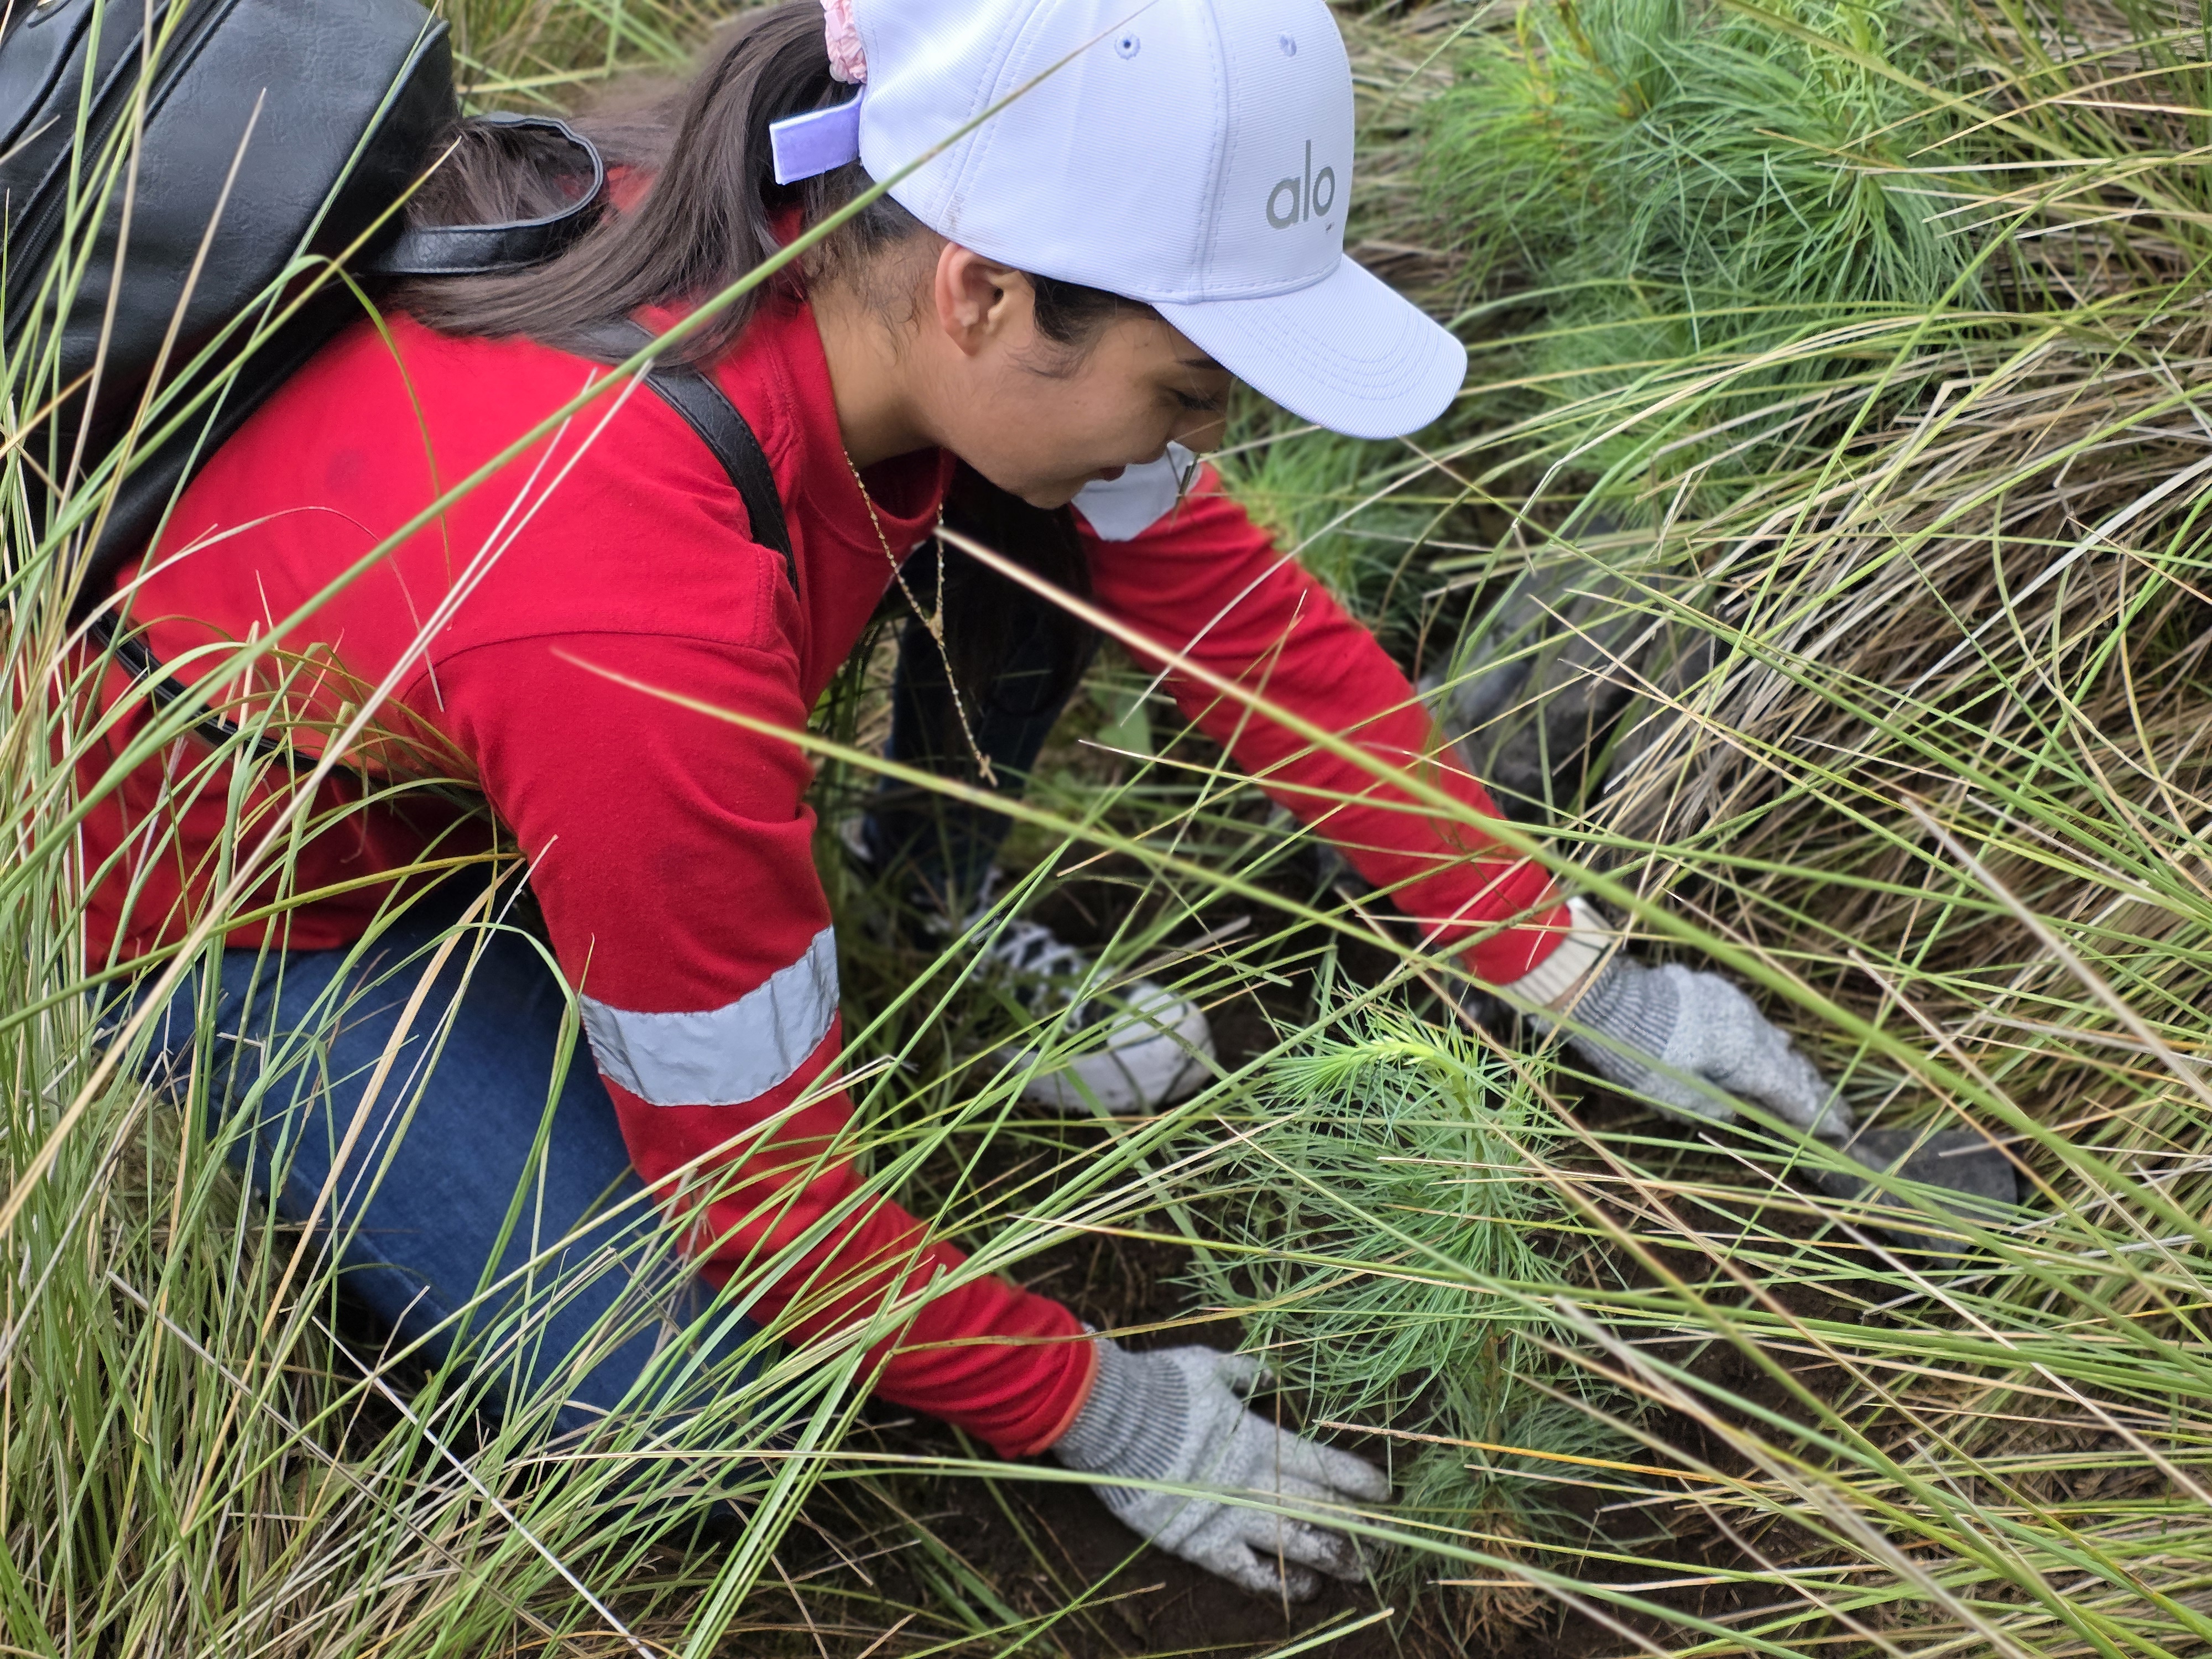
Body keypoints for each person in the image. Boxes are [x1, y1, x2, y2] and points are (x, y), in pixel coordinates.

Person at [78, 0, 2013, 1601]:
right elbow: (760, 1190)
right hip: (258, 904)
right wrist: (1109, 1405)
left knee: (1054, 523)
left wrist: (1581, 970)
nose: (1209, 440)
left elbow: (1239, 618)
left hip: (511, 744)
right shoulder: (636, 619)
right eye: (1189, 390)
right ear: (991, 294)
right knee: (682, 1410)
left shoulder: (848, 228)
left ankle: (903, 894)